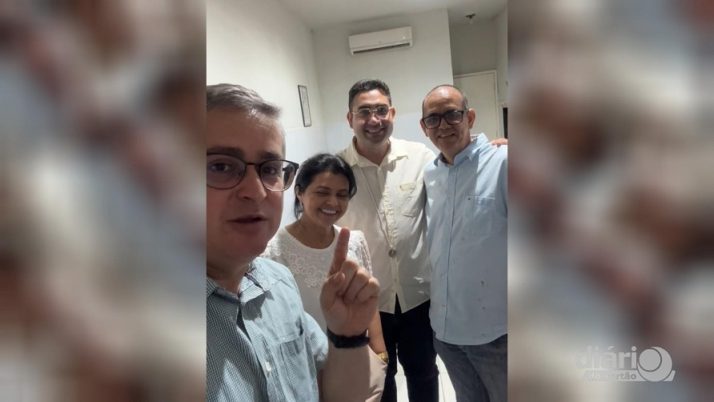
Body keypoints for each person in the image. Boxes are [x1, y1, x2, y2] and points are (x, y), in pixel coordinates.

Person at [206, 83, 386, 402]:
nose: (256, 191)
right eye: (220, 167)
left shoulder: (278, 285)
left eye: (270, 169)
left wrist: (347, 338)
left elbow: (337, 394)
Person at [336, 79, 439, 402]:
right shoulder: (337, 169)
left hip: (418, 295)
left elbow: (455, 176)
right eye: (364, 112)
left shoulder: (419, 157)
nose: (374, 119)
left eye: (381, 110)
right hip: (367, 300)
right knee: (381, 377)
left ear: (392, 113)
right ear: (350, 119)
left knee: (424, 372)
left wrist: (489, 152)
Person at [420, 84, 507, 402]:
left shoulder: (503, 164)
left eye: (452, 115)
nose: (443, 125)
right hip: (446, 332)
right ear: (424, 127)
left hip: (497, 333)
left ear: (469, 117)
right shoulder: (431, 174)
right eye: (433, 119)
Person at [262, 152, 388, 361]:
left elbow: (368, 302)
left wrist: (380, 352)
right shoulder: (272, 253)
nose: (333, 202)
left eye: (342, 194)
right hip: (306, 367)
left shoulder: (354, 242)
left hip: (356, 358)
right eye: (322, 192)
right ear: (299, 192)